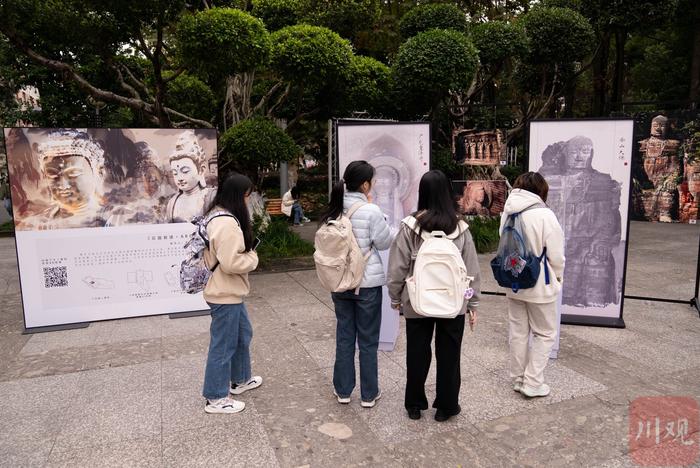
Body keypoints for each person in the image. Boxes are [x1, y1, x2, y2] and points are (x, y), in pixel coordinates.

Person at [387, 170, 481, 422]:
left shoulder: (410, 227)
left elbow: (397, 267)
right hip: (454, 303)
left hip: (417, 302)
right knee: (449, 354)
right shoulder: (460, 228)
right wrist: (471, 302)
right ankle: (446, 407)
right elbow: (471, 270)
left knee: (417, 352)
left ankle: (415, 405)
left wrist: (396, 297)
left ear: (423, 193)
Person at [319, 160, 392, 408]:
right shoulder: (371, 211)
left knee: (345, 336)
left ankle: (343, 390)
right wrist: (385, 219)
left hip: (340, 283)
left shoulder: (333, 208)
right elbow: (383, 243)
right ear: (364, 184)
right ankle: (369, 395)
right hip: (367, 283)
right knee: (368, 341)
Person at [201, 172, 262, 414]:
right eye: (248, 196)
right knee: (223, 345)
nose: (250, 201)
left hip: (226, 291)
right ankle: (215, 397)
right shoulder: (226, 223)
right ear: (240, 196)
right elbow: (232, 263)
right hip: (224, 292)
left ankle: (241, 379)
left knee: (242, 335)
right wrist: (253, 257)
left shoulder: (216, 214)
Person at [500, 172, 565, 398]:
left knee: (518, 331)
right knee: (545, 333)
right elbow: (556, 255)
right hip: (539, 284)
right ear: (540, 191)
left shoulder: (507, 212)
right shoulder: (545, 215)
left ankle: (518, 378)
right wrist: (557, 277)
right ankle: (533, 382)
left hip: (513, 280)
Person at [18, 129, 106, 230]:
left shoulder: (118, 219)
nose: (63, 185)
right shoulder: (33, 225)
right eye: (52, 175)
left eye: (73, 173)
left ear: (99, 173)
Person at [166, 131, 216, 223]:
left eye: (185, 171)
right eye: (175, 173)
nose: (180, 177)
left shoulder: (212, 197)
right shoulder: (172, 203)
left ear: (201, 170)